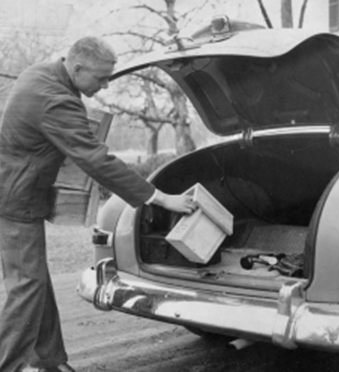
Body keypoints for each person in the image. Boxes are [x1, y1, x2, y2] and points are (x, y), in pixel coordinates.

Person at [0, 37, 196, 372]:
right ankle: (9, 364)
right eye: (101, 78)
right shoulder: (56, 99)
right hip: (17, 199)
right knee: (27, 286)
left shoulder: (41, 74)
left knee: (34, 283)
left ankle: (49, 361)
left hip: (13, 190)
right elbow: (96, 159)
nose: (104, 86)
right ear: (76, 68)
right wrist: (159, 197)